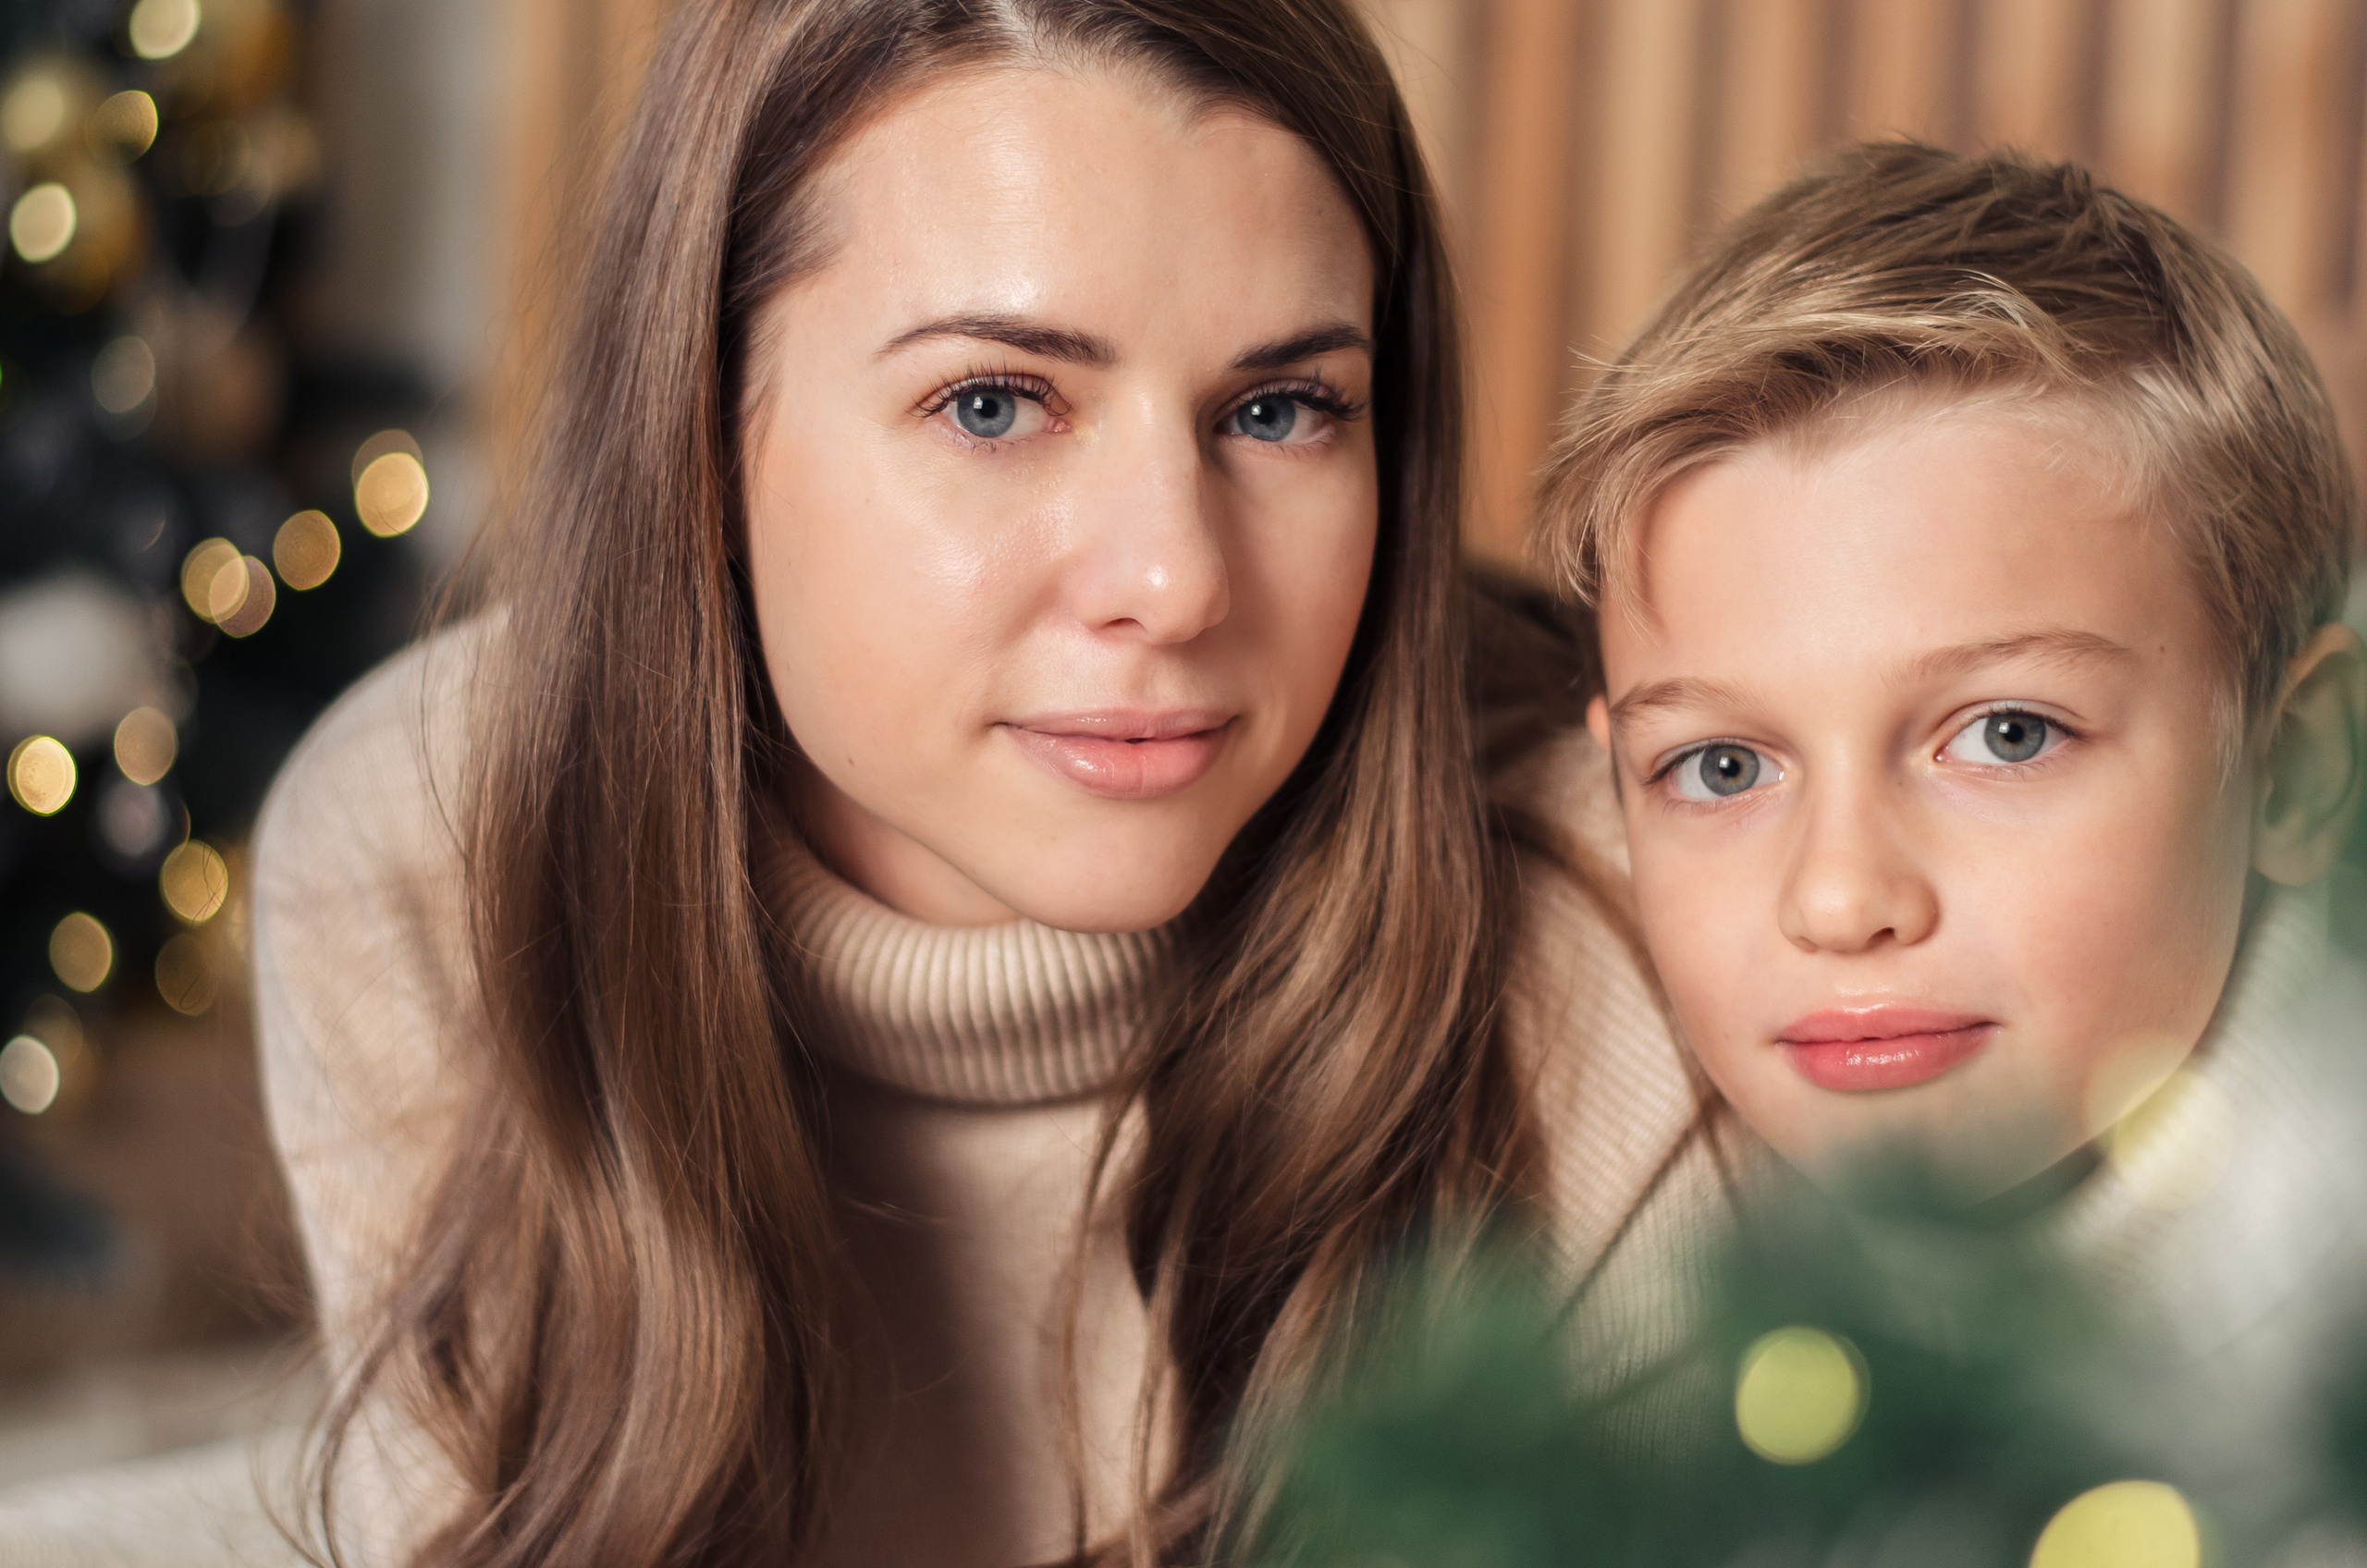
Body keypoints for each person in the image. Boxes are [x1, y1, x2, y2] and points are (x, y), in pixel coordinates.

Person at [251, 3, 1671, 1564]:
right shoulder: (427, 843)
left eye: (1280, 411)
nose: (1176, 581)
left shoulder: (1638, 884)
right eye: (993, 403)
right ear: (705, 439)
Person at [1536, 141, 2367, 1491]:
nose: (1839, 899)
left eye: (2006, 735)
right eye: (1723, 769)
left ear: (2296, 768)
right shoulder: (1592, 1310)